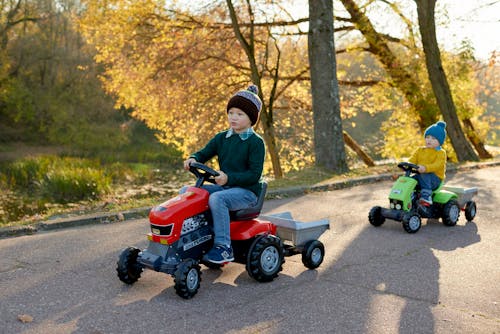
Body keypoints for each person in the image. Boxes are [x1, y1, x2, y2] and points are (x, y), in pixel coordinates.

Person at [182, 84, 265, 264]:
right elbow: (203, 153)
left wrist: (229, 178)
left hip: (247, 193)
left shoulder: (255, 143)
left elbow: (254, 175)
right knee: (187, 192)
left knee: (217, 199)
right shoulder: (222, 138)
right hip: (226, 187)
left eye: (239, 114)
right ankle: (190, 237)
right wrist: (192, 158)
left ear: (251, 118)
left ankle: (223, 247)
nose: (233, 117)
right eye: (231, 113)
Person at [408, 121, 447, 206]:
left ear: (440, 141)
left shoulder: (440, 152)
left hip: (435, 179)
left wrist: (425, 168)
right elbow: (412, 160)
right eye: (427, 137)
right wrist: (407, 164)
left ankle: (426, 196)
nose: (429, 140)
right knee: (408, 179)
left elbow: (437, 165)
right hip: (420, 174)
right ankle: (406, 196)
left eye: (433, 138)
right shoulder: (420, 150)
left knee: (424, 175)